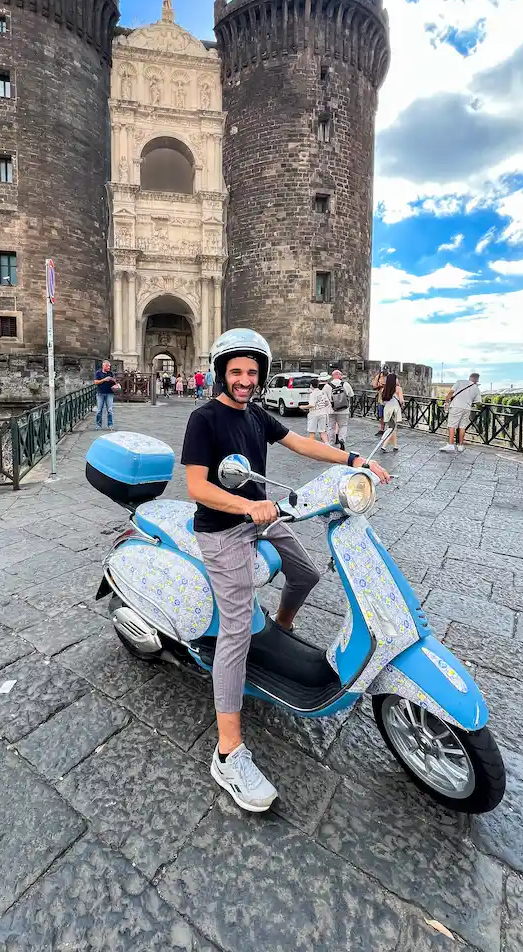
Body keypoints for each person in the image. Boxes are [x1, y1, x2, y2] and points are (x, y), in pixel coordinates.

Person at [182, 329, 390, 811]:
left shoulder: (255, 414)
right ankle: (228, 752)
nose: (245, 380)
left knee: (307, 574)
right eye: (236, 372)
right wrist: (244, 506)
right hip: (222, 528)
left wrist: (354, 459)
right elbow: (196, 486)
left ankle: (278, 632)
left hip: (263, 517)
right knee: (235, 631)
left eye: (252, 372)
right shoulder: (204, 419)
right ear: (221, 373)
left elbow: (300, 443)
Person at [441, 373, 482, 452]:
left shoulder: (460, 382)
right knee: (462, 427)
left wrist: (446, 402)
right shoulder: (476, 389)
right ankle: (460, 446)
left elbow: (451, 392)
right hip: (467, 408)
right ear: (477, 380)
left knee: (452, 425)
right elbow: (478, 402)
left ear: (470, 377)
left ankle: (450, 444)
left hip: (456, 406)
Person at [324, 369, 354, 450]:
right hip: (344, 410)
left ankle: (331, 443)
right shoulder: (346, 384)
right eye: (341, 375)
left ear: (333, 376)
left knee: (330, 427)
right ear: (338, 375)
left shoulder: (327, 386)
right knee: (343, 426)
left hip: (331, 410)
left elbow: (324, 398)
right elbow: (351, 394)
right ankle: (342, 439)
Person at [379, 373, 404, 452]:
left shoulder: (384, 389)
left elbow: (382, 401)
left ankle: (395, 446)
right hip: (395, 409)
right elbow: (401, 400)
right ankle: (384, 445)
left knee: (393, 427)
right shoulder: (398, 388)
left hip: (387, 409)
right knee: (392, 428)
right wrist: (402, 404)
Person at [307, 376, 330, 443]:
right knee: (323, 431)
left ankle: (311, 446)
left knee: (312, 432)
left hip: (314, 414)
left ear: (311, 385)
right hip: (323, 413)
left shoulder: (313, 394)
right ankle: (327, 445)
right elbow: (327, 403)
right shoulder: (322, 392)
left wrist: (303, 407)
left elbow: (311, 405)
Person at [94, 360, 115, 429]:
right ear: (103, 366)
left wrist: (112, 379)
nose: (109, 367)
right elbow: (96, 382)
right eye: (107, 366)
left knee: (110, 410)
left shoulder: (111, 373)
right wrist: (104, 379)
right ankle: (98, 425)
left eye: (109, 366)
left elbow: (115, 381)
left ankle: (110, 425)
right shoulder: (98, 373)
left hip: (110, 393)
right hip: (100, 393)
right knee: (99, 410)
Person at [372, 364, 389, 436]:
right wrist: (380, 386)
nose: (385, 372)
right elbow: (374, 387)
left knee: (389, 415)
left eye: (386, 370)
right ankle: (382, 429)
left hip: (389, 399)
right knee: (381, 415)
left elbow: (397, 387)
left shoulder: (391, 377)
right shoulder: (378, 377)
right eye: (383, 370)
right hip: (381, 399)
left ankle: (390, 430)